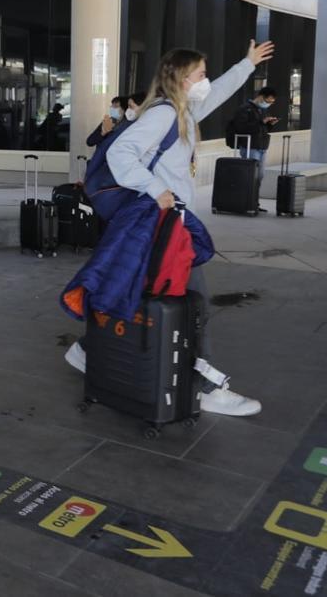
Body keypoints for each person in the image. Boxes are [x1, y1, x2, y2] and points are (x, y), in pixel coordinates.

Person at [65, 40, 275, 417]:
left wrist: (246, 64)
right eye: (200, 75)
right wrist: (156, 188)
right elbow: (119, 152)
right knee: (193, 303)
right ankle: (206, 387)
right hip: (162, 225)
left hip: (163, 224)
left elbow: (220, 93)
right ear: (181, 79)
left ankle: (87, 349)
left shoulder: (183, 112)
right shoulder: (163, 115)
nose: (205, 80)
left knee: (139, 290)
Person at [226, 86, 280, 210]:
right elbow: (241, 128)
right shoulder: (245, 109)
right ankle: (245, 203)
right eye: (268, 101)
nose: (269, 104)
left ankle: (254, 203)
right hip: (250, 146)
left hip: (262, 146)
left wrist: (269, 124)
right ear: (261, 97)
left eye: (272, 102)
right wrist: (261, 122)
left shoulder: (263, 110)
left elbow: (262, 128)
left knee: (259, 177)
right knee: (250, 176)